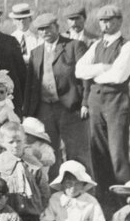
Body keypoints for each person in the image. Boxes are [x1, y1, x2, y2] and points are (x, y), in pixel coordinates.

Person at [75, 4, 130, 202]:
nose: (105, 24)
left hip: (116, 101)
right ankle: (104, 196)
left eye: (110, 20)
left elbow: (118, 76)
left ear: (119, 21)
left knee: (117, 151)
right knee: (98, 149)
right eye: (102, 21)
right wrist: (103, 67)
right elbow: (79, 70)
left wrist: (94, 73)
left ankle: (126, 198)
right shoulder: (96, 45)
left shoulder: (127, 46)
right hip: (95, 101)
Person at [23, 13, 91, 170]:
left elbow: (87, 78)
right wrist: (28, 111)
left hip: (70, 107)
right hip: (45, 108)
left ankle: (82, 183)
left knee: (77, 151)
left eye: (48, 28)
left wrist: (85, 103)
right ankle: (54, 184)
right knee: (49, 151)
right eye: (41, 30)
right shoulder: (36, 52)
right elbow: (30, 84)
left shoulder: (74, 46)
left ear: (57, 27)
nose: (45, 32)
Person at [39, 161, 106, 221]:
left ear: (83, 184)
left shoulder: (90, 202)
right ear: (62, 183)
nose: (73, 188)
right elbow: (48, 219)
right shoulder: (56, 199)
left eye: (77, 184)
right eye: (68, 183)